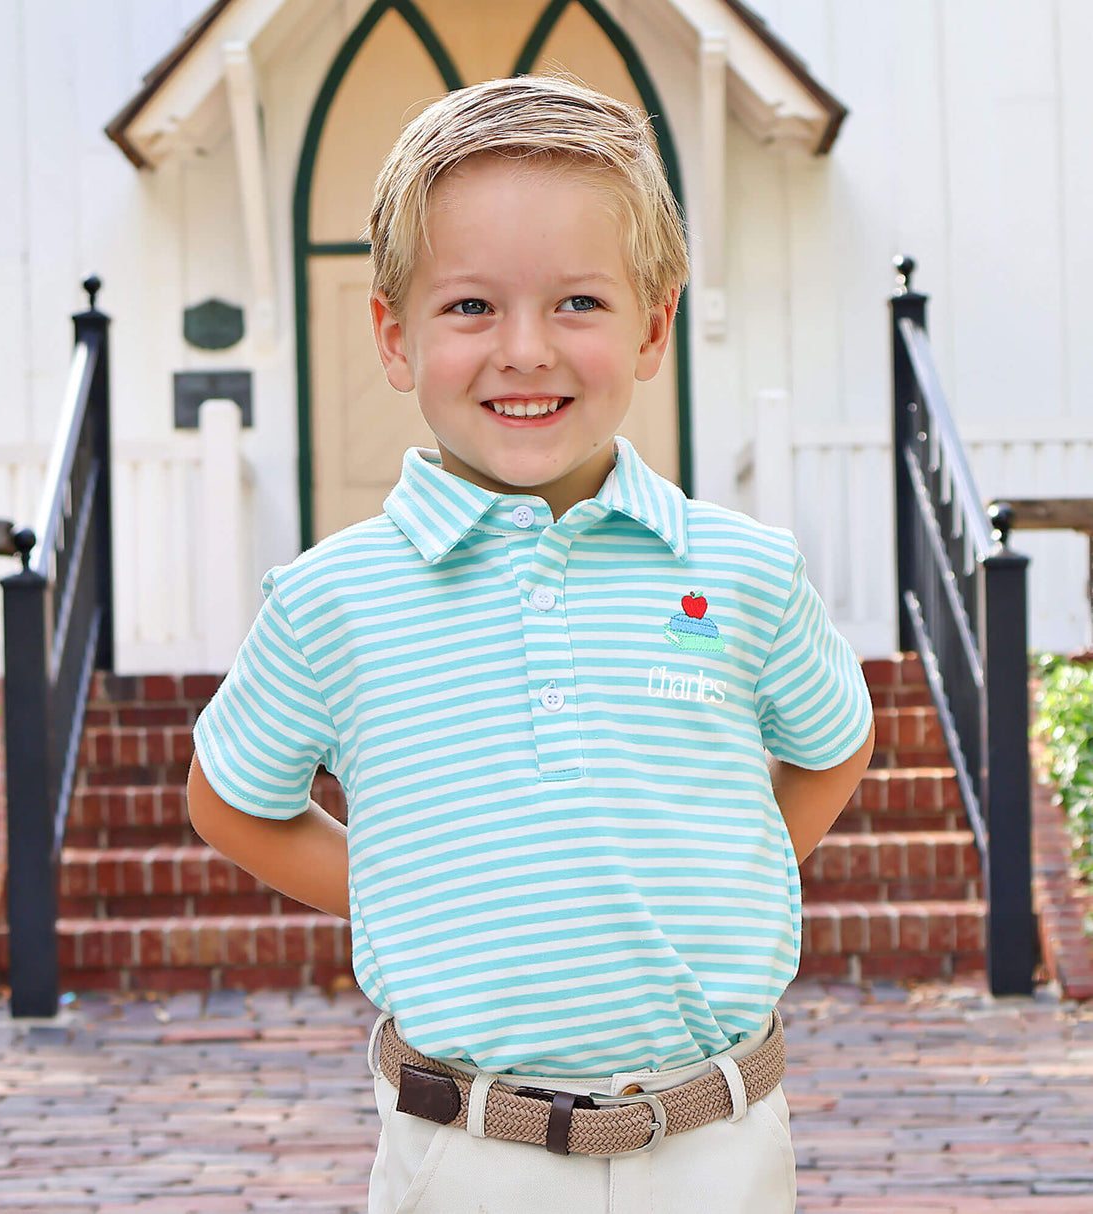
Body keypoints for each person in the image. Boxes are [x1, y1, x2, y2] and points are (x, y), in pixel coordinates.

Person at [187, 73, 876, 1214]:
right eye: (468, 307)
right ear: (392, 336)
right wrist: (409, 889)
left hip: (716, 1140)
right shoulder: (331, 597)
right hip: (466, 1148)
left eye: (577, 303)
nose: (523, 349)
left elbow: (831, 746)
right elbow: (230, 802)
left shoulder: (746, 570)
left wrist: (717, 873)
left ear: (653, 325)